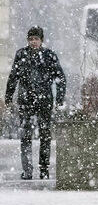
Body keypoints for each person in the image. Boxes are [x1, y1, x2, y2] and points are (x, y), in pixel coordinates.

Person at [4, 26, 67, 180]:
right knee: (25, 135)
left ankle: (43, 169)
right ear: (27, 40)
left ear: (41, 40)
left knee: (45, 135)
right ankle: (27, 170)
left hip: (44, 100)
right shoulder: (21, 54)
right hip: (25, 100)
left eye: (36, 39)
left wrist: (59, 98)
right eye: (31, 39)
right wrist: (8, 96)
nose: (33, 42)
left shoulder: (49, 55)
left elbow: (60, 78)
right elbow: (13, 76)